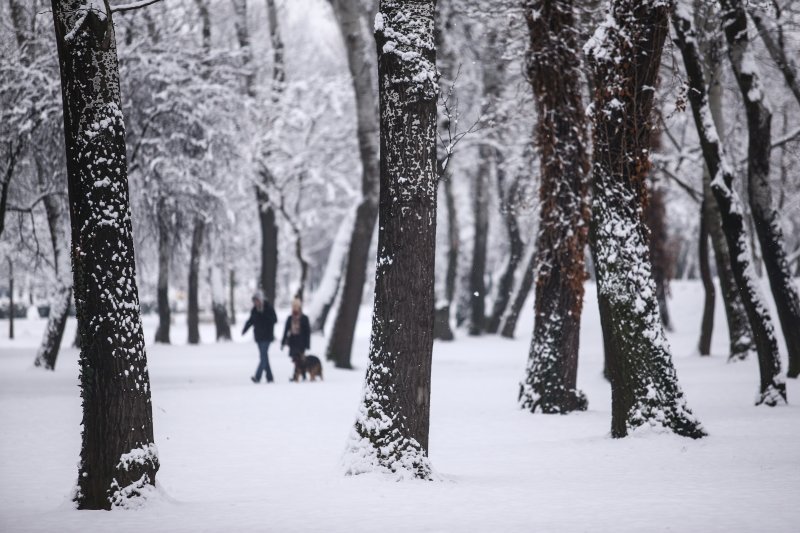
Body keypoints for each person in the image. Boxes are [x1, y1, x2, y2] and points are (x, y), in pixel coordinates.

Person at [242, 290, 278, 383]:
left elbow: (274, 319)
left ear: (261, 299)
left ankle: (257, 377)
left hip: (267, 336)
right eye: (254, 301)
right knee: (264, 357)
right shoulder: (254, 310)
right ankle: (270, 377)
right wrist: (245, 329)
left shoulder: (268, 308)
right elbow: (250, 321)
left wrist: (264, 316)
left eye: (257, 300)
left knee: (263, 357)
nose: (255, 302)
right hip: (258, 337)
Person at [281, 297, 311, 381]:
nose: (295, 308)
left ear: (299, 307)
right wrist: (283, 342)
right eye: (293, 306)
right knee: (296, 359)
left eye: (296, 306)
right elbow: (286, 330)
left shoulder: (304, 318)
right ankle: (299, 375)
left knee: (300, 359)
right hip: (293, 342)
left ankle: (298, 375)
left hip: (302, 342)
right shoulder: (290, 318)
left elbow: (307, 332)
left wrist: (307, 344)